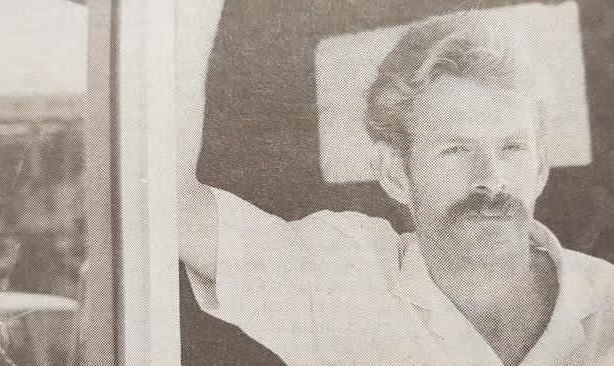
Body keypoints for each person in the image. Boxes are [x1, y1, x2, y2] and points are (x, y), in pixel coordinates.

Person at [179, 6, 614, 366]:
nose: (491, 179)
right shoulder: (345, 282)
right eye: (457, 150)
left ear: (540, 168)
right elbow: (171, 207)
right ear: (396, 173)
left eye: (512, 148)